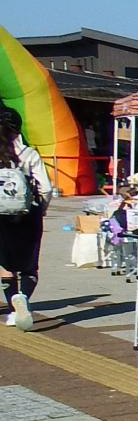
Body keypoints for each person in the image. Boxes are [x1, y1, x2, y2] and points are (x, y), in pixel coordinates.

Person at [0, 105, 53, 330]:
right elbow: (47, 187)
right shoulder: (30, 153)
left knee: (5, 265)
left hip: (1, 217)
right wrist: (42, 209)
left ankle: (13, 311)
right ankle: (23, 298)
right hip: (28, 215)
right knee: (29, 266)